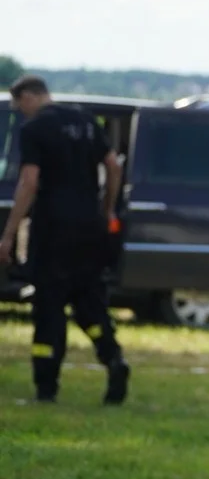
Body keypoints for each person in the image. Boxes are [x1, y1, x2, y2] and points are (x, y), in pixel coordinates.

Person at [0, 75, 131, 404]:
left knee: (49, 307)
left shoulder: (34, 130)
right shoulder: (86, 121)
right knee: (89, 301)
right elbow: (113, 166)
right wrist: (106, 208)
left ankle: (46, 388)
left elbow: (29, 182)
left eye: (20, 106)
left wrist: (10, 233)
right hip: (89, 226)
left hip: (52, 227)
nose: (21, 113)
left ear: (30, 96)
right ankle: (113, 358)